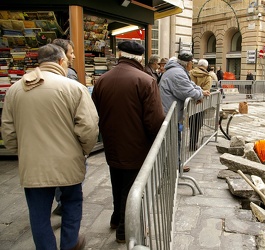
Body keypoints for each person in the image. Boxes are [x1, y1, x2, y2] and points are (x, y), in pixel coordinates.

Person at [1, 44, 99, 250]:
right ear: (61, 61)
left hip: (33, 164)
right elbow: (89, 127)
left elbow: (8, 132)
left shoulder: (15, 90)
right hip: (68, 162)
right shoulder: (74, 88)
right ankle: (70, 245)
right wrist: (83, 151)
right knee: (72, 204)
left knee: (38, 215)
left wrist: (23, 152)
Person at [91, 41, 165, 243]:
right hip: (136, 144)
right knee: (131, 188)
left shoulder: (102, 80)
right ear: (140, 58)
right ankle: (124, 230)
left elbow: (95, 111)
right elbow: (154, 120)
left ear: (119, 55)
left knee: (117, 180)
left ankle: (116, 218)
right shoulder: (146, 80)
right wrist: (156, 143)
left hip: (111, 142)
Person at [159, 51, 211, 172]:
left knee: (175, 139)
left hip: (171, 112)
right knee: (174, 141)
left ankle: (176, 164)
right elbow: (188, 92)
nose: (192, 65)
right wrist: (199, 95)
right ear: (188, 63)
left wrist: (200, 92)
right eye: (192, 63)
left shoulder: (178, 71)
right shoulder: (177, 73)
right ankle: (174, 166)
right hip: (169, 113)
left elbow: (191, 85)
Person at [51, 38, 79, 216]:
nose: (73, 56)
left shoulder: (23, 84)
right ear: (62, 57)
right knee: (71, 192)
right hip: (67, 141)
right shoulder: (69, 78)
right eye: (71, 53)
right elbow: (83, 118)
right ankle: (64, 205)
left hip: (44, 146)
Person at [189, 59, 212, 151]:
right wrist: (200, 97)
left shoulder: (190, 73)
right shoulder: (208, 76)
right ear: (206, 66)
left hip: (190, 101)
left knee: (192, 122)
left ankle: (192, 141)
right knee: (198, 123)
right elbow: (207, 89)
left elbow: (188, 86)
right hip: (200, 102)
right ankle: (193, 142)